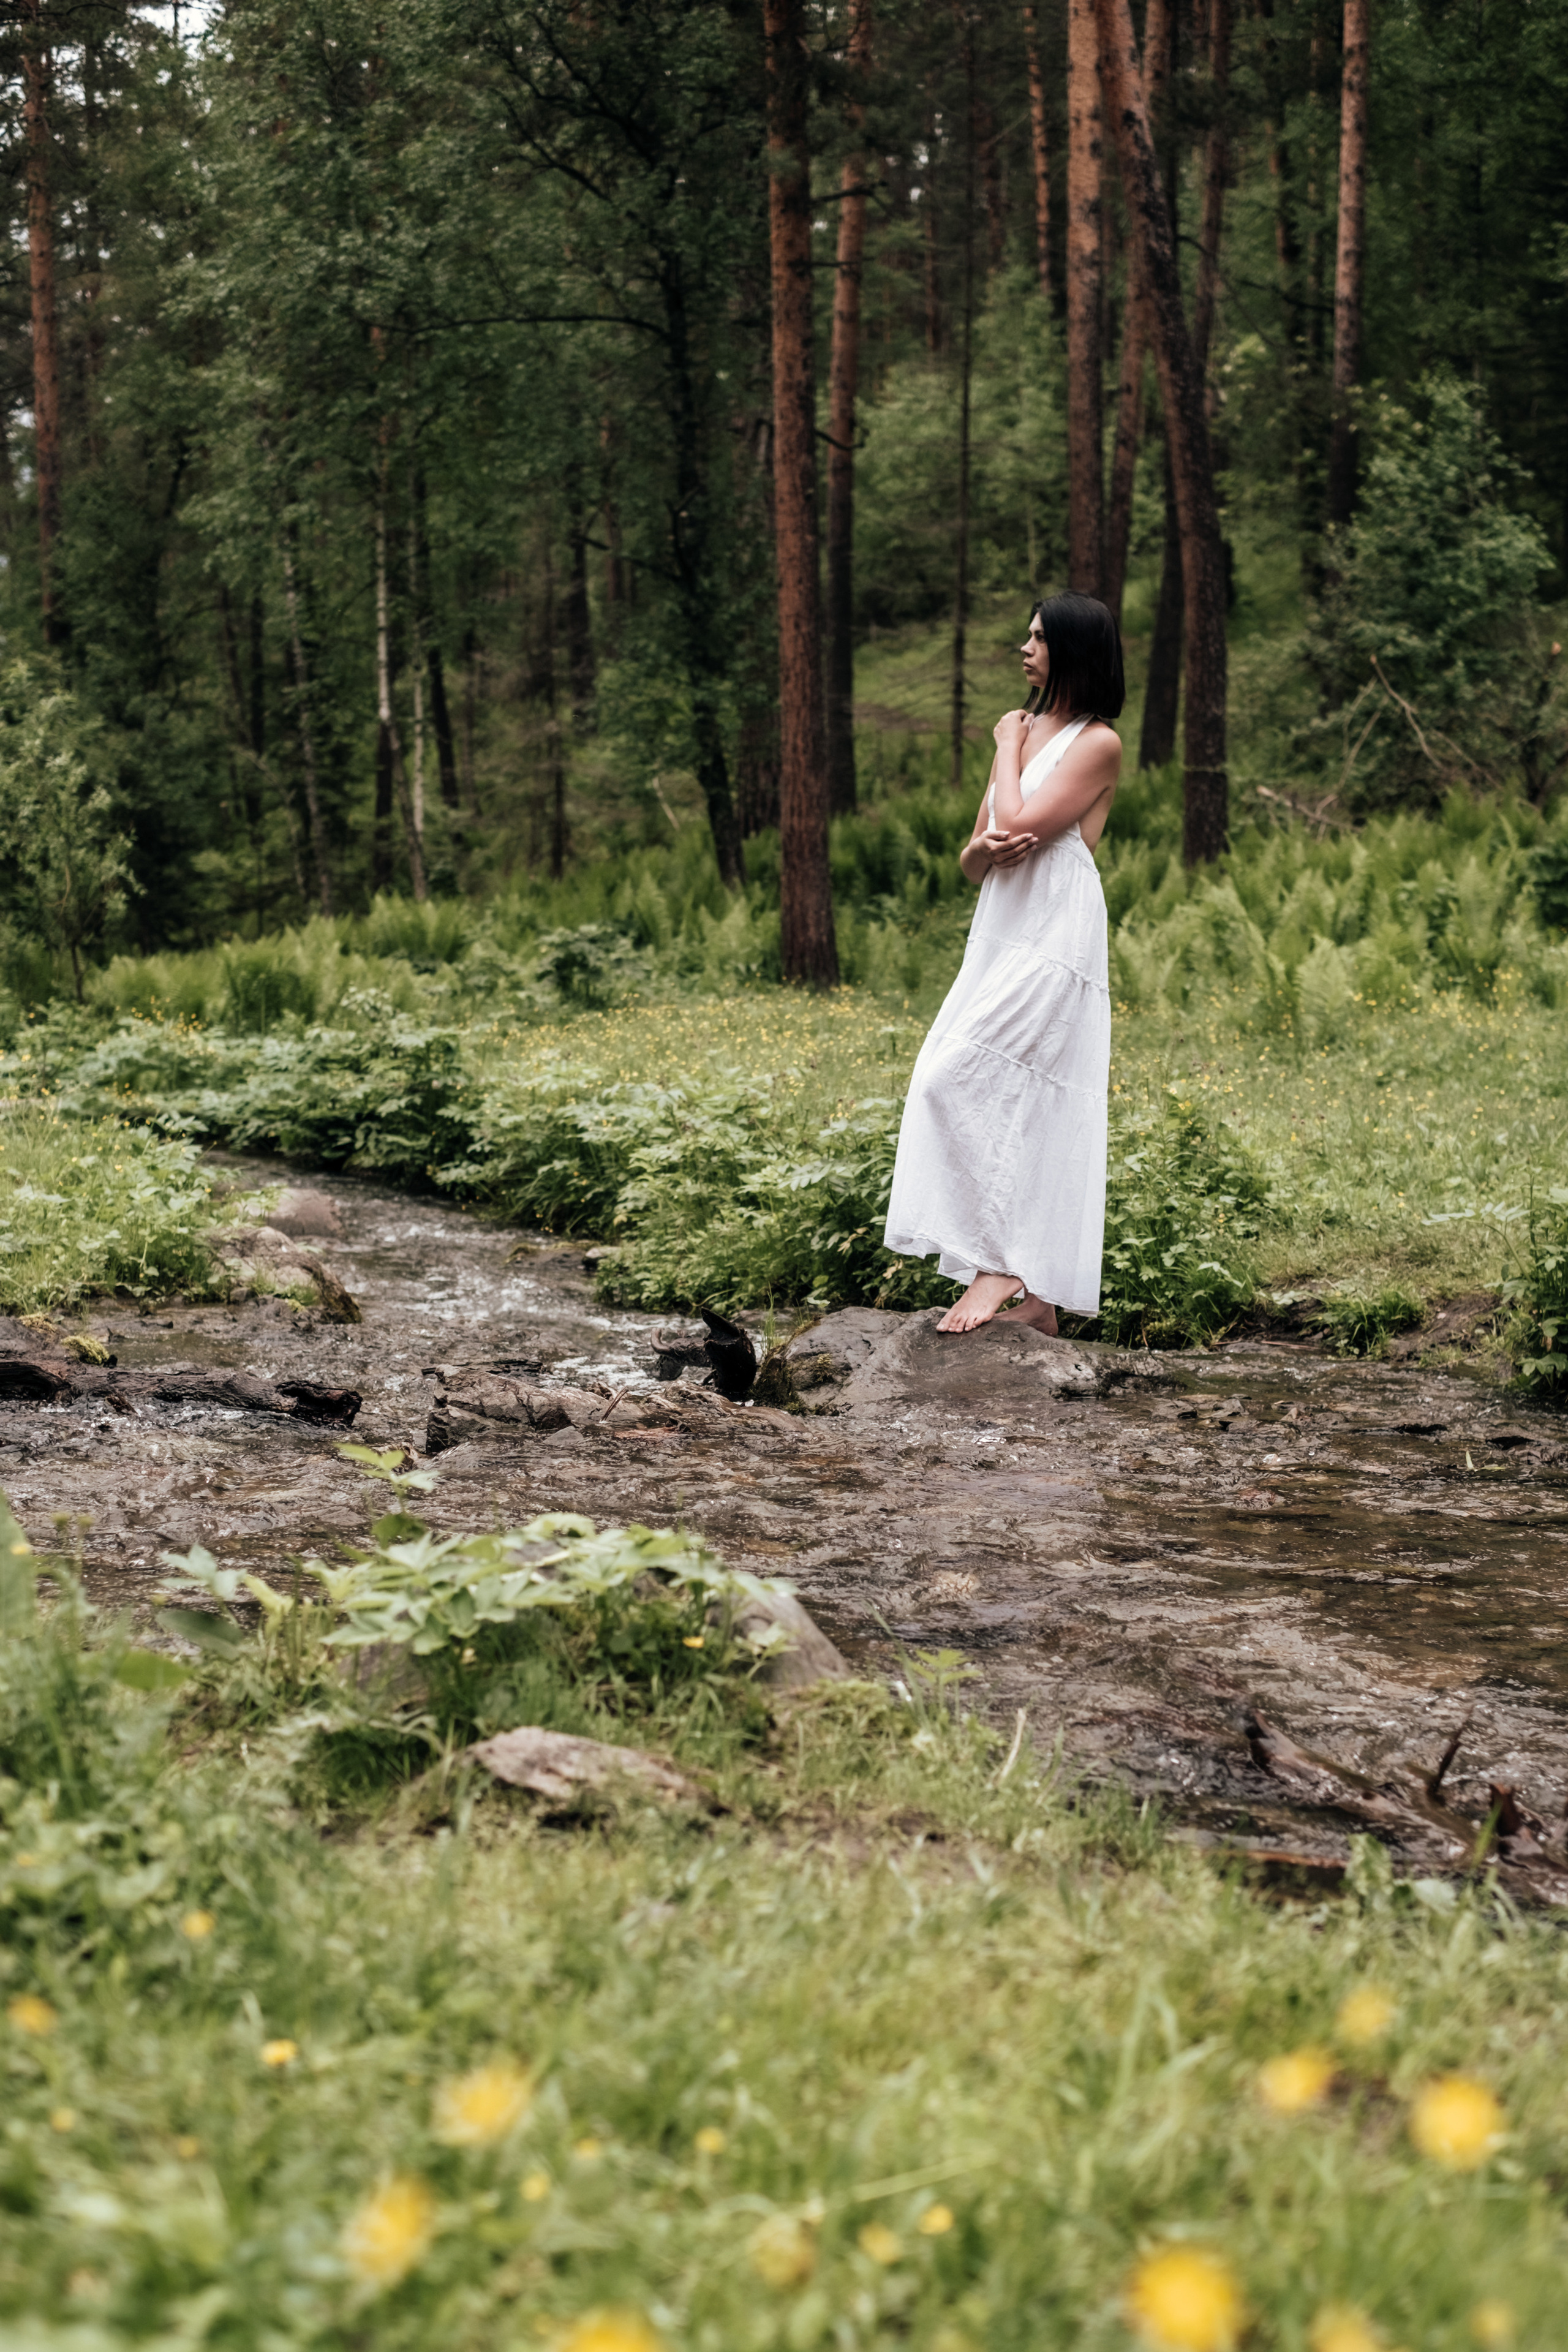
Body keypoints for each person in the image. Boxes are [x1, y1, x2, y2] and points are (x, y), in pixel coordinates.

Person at [882, 591, 1124, 1336]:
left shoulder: (1095, 742)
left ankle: (1001, 1262)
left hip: (1055, 934)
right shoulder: (1028, 728)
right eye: (1026, 635)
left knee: (954, 1078)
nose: (1023, 648)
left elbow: (1022, 821)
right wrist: (978, 851)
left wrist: (1003, 746)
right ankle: (1042, 1306)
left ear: (1073, 652)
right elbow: (981, 851)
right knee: (996, 1088)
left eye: (1038, 638)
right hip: (1002, 928)